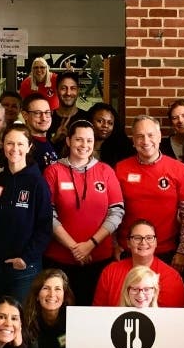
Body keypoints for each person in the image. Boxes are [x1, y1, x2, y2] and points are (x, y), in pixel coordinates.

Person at [43, 119, 125, 305]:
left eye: (89, 140)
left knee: (93, 313)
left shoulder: (106, 171)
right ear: (68, 141)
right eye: (79, 140)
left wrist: (90, 244)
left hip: (98, 258)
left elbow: (117, 211)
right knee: (60, 314)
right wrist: (74, 247)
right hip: (60, 259)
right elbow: (47, 214)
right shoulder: (53, 171)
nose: (84, 145)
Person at [0, 126, 52, 301]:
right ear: (3, 145)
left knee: (21, 321)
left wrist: (26, 258)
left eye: (20, 144)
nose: (14, 148)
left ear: (29, 147)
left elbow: (45, 228)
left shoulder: (38, 184)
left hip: (24, 269)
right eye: (10, 143)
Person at [116, 115, 184, 270]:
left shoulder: (179, 169)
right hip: (129, 251)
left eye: (150, 135)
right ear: (133, 141)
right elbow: (111, 211)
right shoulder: (120, 169)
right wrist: (114, 245)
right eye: (139, 136)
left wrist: (183, 251)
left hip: (167, 252)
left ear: (159, 137)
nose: (146, 141)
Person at [94, 219, 184, 308]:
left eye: (149, 238)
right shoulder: (110, 272)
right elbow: (98, 313)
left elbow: (174, 319)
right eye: (137, 238)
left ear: (156, 242)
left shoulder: (172, 277)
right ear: (128, 243)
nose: (143, 242)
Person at [21, 94, 60, 169]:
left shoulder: (44, 142)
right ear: (25, 115)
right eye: (38, 113)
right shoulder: (25, 147)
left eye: (47, 112)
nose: (44, 118)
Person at [89, 101, 133, 166]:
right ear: (90, 121)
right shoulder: (81, 146)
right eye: (100, 121)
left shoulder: (120, 150)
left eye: (110, 123)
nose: (105, 125)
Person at [48, 70, 86, 142]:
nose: (68, 93)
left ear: (78, 91)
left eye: (73, 88)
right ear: (56, 91)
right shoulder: (47, 119)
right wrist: (54, 139)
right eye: (63, 88)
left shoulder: (86, 118)